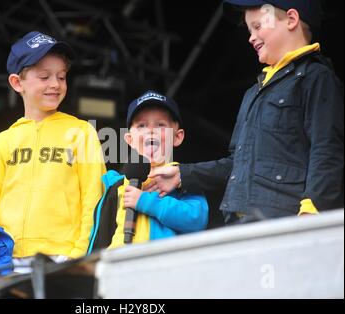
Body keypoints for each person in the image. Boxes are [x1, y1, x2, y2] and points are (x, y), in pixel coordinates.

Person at [147, 0, 344, 225]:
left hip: (285, 220)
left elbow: (326, 149)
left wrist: (312, 210)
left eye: (258, 27)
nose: (251, 37)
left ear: (291, 20)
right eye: (250, 30)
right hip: (240, 220)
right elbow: (238, 163)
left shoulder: (317, 77)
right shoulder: (253, 92)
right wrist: (184, 174)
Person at [0, 31, 106, 273]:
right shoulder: (2, 142)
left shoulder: (82, 132)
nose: (55, 84)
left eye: (61, 76)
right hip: (7, 263)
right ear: (17, 83)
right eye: (44, 76)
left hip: (63, 259)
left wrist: (80, 256)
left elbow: (95, 201)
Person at [86, 91, 208, 254]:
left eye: (160, 125)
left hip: (162, 267)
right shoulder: (115, 185)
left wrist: (146, 202)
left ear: (177, 137)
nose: (151, 131)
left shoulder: (184, 178)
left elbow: (196, 219)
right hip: (119, 267)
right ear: (129, 139)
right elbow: (98, 234)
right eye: (142, 126)